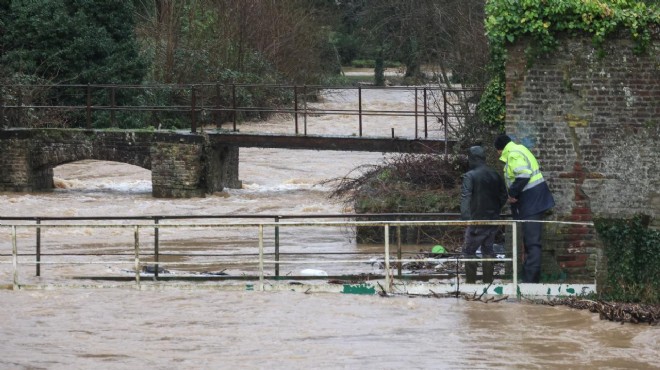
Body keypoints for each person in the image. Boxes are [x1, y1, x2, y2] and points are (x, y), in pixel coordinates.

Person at [494, 134, 555, 283]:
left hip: (532, 201)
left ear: (500, 149)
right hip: (534, 200)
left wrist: (512, 194)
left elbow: (523, 175)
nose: (497, 155)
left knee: (532, 242)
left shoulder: (513, 155)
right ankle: (529, 278)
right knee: (530, 242)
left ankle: (530, 283)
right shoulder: (521, 149)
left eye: (497, 151)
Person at [460, 146, 508, 284]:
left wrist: (465, 218)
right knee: (488, 249)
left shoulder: (470, 176)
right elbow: (504, 195)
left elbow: (466, 197)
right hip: (493, 219)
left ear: (473, 159)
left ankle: (471, 284)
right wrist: (495, 209)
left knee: (469, 251)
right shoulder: (495, 174)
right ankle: (488, 283)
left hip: (477, 220)